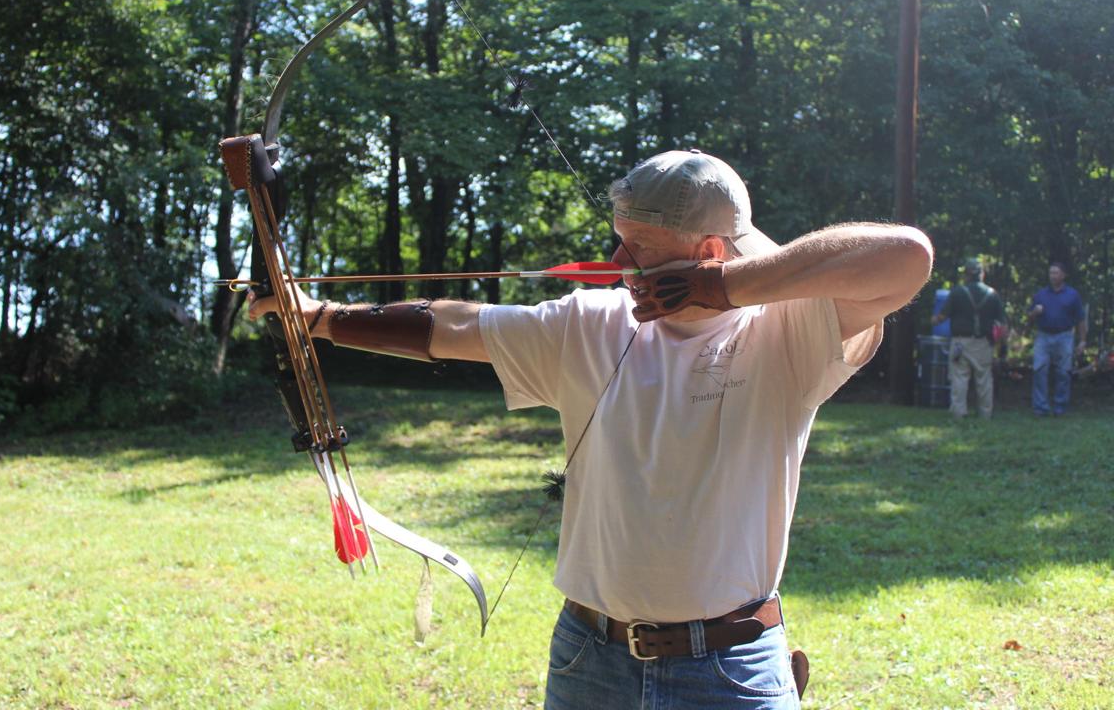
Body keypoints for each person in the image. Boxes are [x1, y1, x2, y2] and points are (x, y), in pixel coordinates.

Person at [249, 150, 933, 709]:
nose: (618, 261)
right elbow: (453, 326)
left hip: (728, 671)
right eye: (618, 241)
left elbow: (906, 257)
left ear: (709, 251)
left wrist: (722, 290)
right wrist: (320, 317)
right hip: (589, 660)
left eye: (639, 249)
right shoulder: (591, 322)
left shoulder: (791, 329)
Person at [930, 258, 1006, 419]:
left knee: (959, 377)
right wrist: (999, 347)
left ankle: (959, 413)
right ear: (982, 274)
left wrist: (934, 319)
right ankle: (985, 414)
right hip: (984, 344)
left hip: (960, 343)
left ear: (966, 275)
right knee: (984, 378)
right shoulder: (993, 295)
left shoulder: (957, 292)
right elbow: (1002, 326)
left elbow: (942, 317)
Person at [1028, 262, 1087, 416]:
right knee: (1039, 370)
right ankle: (1040, 407)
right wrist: (1035, 312)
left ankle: (1060, 406)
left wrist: (1082, 340)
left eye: (1056, 273)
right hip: (1043, 336)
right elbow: (1030, 318)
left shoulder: (1072, 295)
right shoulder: (1041, 294)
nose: (1053, 276)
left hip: (1064, 336)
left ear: (1063, 275)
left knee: (1063, 372)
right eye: (1051, 273)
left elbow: (1080, 319)